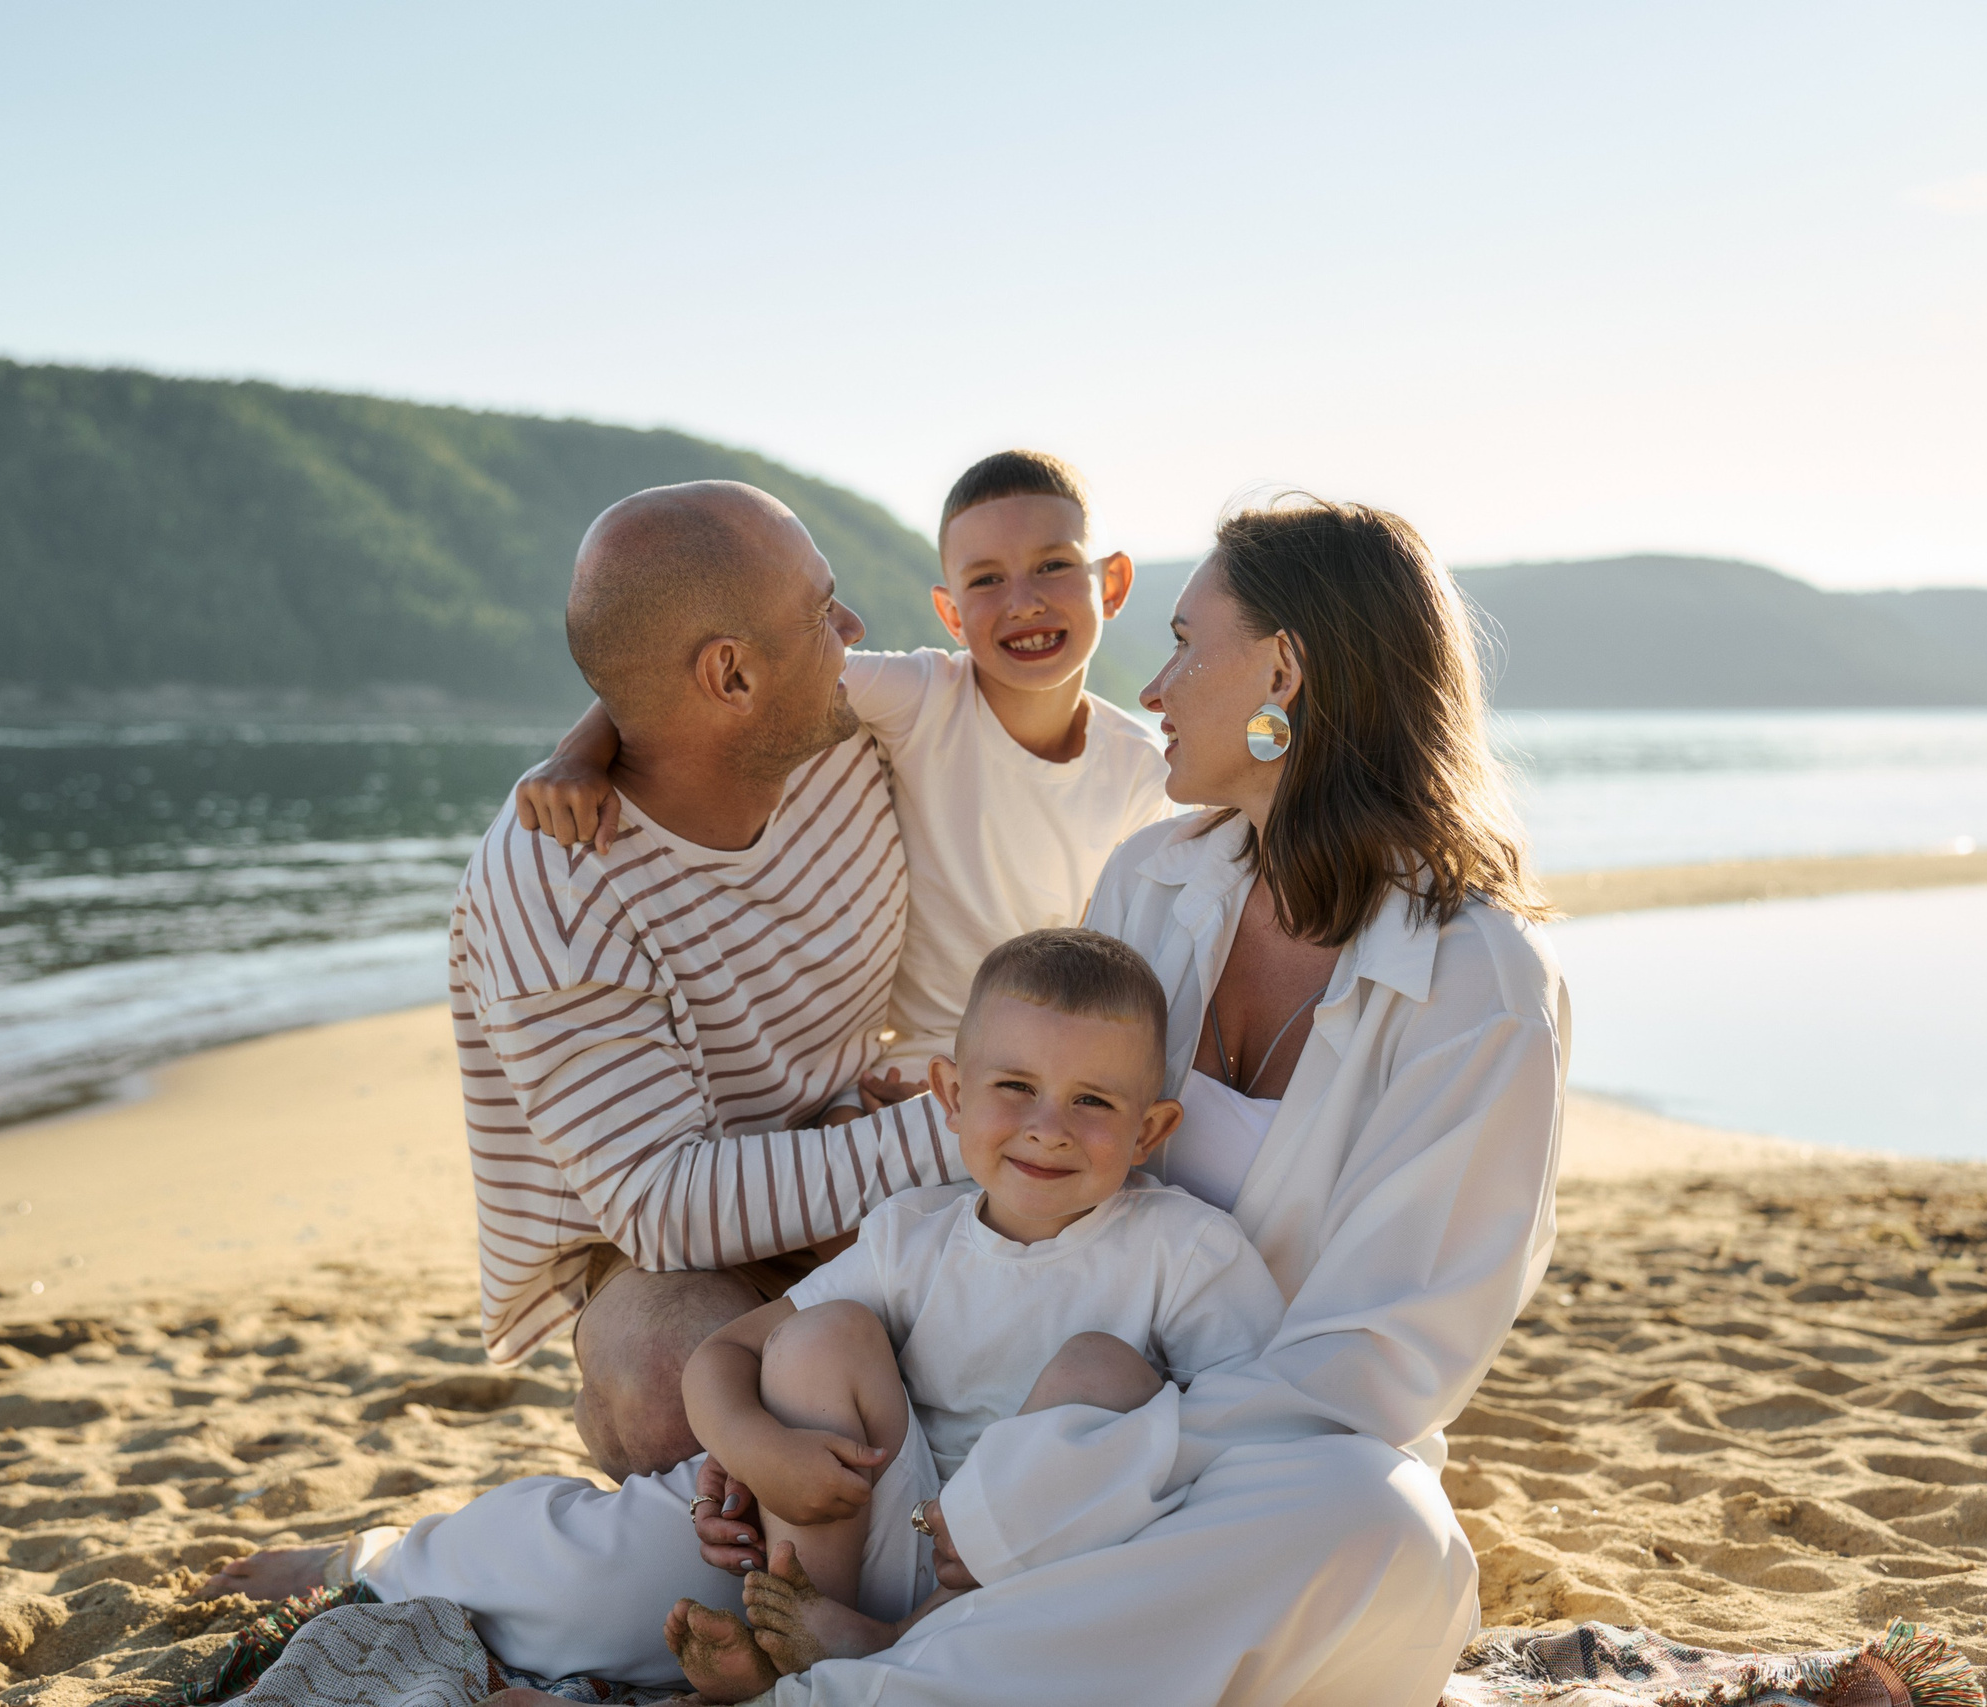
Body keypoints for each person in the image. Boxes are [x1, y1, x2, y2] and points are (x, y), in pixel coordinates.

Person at [227, 494, 1570, 1707]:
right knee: (639, 1568)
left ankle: (861, 1681)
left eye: (1182, 643)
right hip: (973, 1403)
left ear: (1283, 670)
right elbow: (701, 673)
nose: (1152, 683)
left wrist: (1044, 1491)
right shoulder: (1156, 878)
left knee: (1383, 1529)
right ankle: (396, 1561)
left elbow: (1375, 1369)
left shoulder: (1480, 984)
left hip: (1203, 1467)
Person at [205, 479, 967, 1605]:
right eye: (824, 610)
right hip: (666, 1248)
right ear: (730, 676)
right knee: (672, 1391)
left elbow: (1031, 705)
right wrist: (952, 1133)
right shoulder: (552, 889)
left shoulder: (857, 732)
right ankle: (385, 1565)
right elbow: (662, 1204)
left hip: (860, 1145)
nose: (852, 631)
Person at [665, 929, 1284, 1702]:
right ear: (953, 1097)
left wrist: (1013, 1507)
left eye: (1092, 1100)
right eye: (1015, 1086)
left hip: (1033, 1583)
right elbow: (725, 1352)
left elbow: (1260, 1419)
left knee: (1103, 1368)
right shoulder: (910, 1235)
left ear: (1149, 1130)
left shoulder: (1184, 1249)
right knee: (818, 1337)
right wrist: (754, 1447)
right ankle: (803, 1632)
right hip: (888, 1540)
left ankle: (893, 1652)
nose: (1048, 1125)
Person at [515, 449, 1177, 1092]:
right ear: (949, 612)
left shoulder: (1139, 771)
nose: (1023, 600)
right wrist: (578, 753)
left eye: (1053, 565)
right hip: (911, 1067)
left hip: (1050, 1060)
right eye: (986, 579)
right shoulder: (923, 696)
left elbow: (1119, 958)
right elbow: (710, 680)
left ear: (1111, 583)